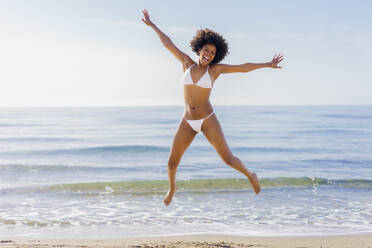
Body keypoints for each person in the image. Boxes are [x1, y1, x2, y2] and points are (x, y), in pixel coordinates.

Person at [141, 9, 284, 206]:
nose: (208, 54)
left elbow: (243, 68)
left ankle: (251, 175)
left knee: (227, 159)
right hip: (187, 121)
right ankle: (172, 189)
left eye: (212, 53)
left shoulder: (215, 71)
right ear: (199, 49)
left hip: (208, 120)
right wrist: (152, 25)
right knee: (172, 162)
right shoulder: (186, 64)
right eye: (206, 50)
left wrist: (268, 64)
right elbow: (168, 43)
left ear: (215, 56)